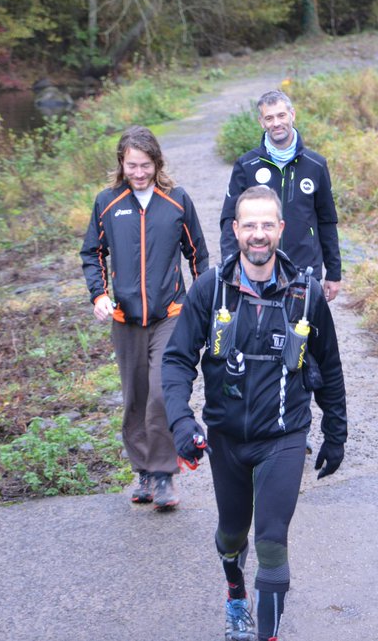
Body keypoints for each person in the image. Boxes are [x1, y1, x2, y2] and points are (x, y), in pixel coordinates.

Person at [162, 185, 347, 641]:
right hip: (226, 438)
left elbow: (332, 367)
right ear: (236, 230)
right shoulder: (211, 290)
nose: (258, 235)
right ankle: (235, 597)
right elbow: (176, 360)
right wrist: (182, 420)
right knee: (231, 535)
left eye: (268, 225)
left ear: (281, 229)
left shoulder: (306, 295)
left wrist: (336, 434)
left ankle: (267, 634)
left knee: (269, 540)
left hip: (284, 437)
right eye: (250, 225)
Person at [80, 125, 209, 508]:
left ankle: (165, 475)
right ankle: (144, 473)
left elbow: (197, 254)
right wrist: (99, 295)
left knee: (160, 393)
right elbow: (92, 254)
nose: (139, 173)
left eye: (146, 165)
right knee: (135, 397)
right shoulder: (107, 202)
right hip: (125, 318)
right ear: (122, 163)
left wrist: (204, 305)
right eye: (132, 165)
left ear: (157, 163)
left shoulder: (176, 200)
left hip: (171, 314)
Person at [219, 90, 342, 302]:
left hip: (304, 270)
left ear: (292, 115)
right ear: (261, 122)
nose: (276, 123)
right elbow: (230, 219)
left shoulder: (316, 165)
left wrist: (334, 273)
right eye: (269, 118)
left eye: (281, 115)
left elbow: (327, 221)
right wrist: (231, 266)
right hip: (257, 270)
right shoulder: (246, 165)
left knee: (303, 333)